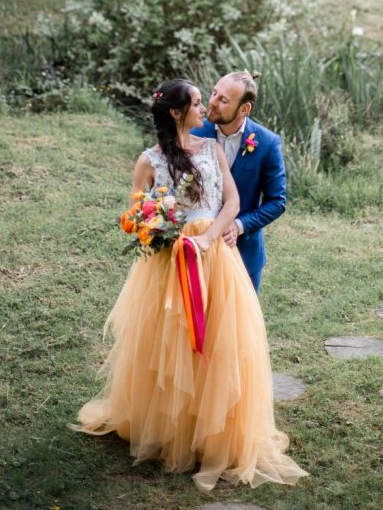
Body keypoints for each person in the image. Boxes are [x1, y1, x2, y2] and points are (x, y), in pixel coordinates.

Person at [74, 78, 307, 493]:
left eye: (214, 99)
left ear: (243, 107)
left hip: (215, 255)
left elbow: (233, 202)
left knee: (220, 339)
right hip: (170, 261)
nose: (208, 107)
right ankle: (171, 426)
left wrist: (208, 236)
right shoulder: (149, 160)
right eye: (201, 101)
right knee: (171, 342)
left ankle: (213, 429)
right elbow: (137, 214)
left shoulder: (214, 148)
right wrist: (161, 231)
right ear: (178, 113)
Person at [191, 70, 285, 292]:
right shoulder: (194, 132)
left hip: (243, 253)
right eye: (214, 93)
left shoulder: (268, 143)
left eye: (223, 100)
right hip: (196, 248)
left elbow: (277, 201)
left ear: (245, 109)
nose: (212, 103)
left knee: (240, 327)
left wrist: (239, 225)